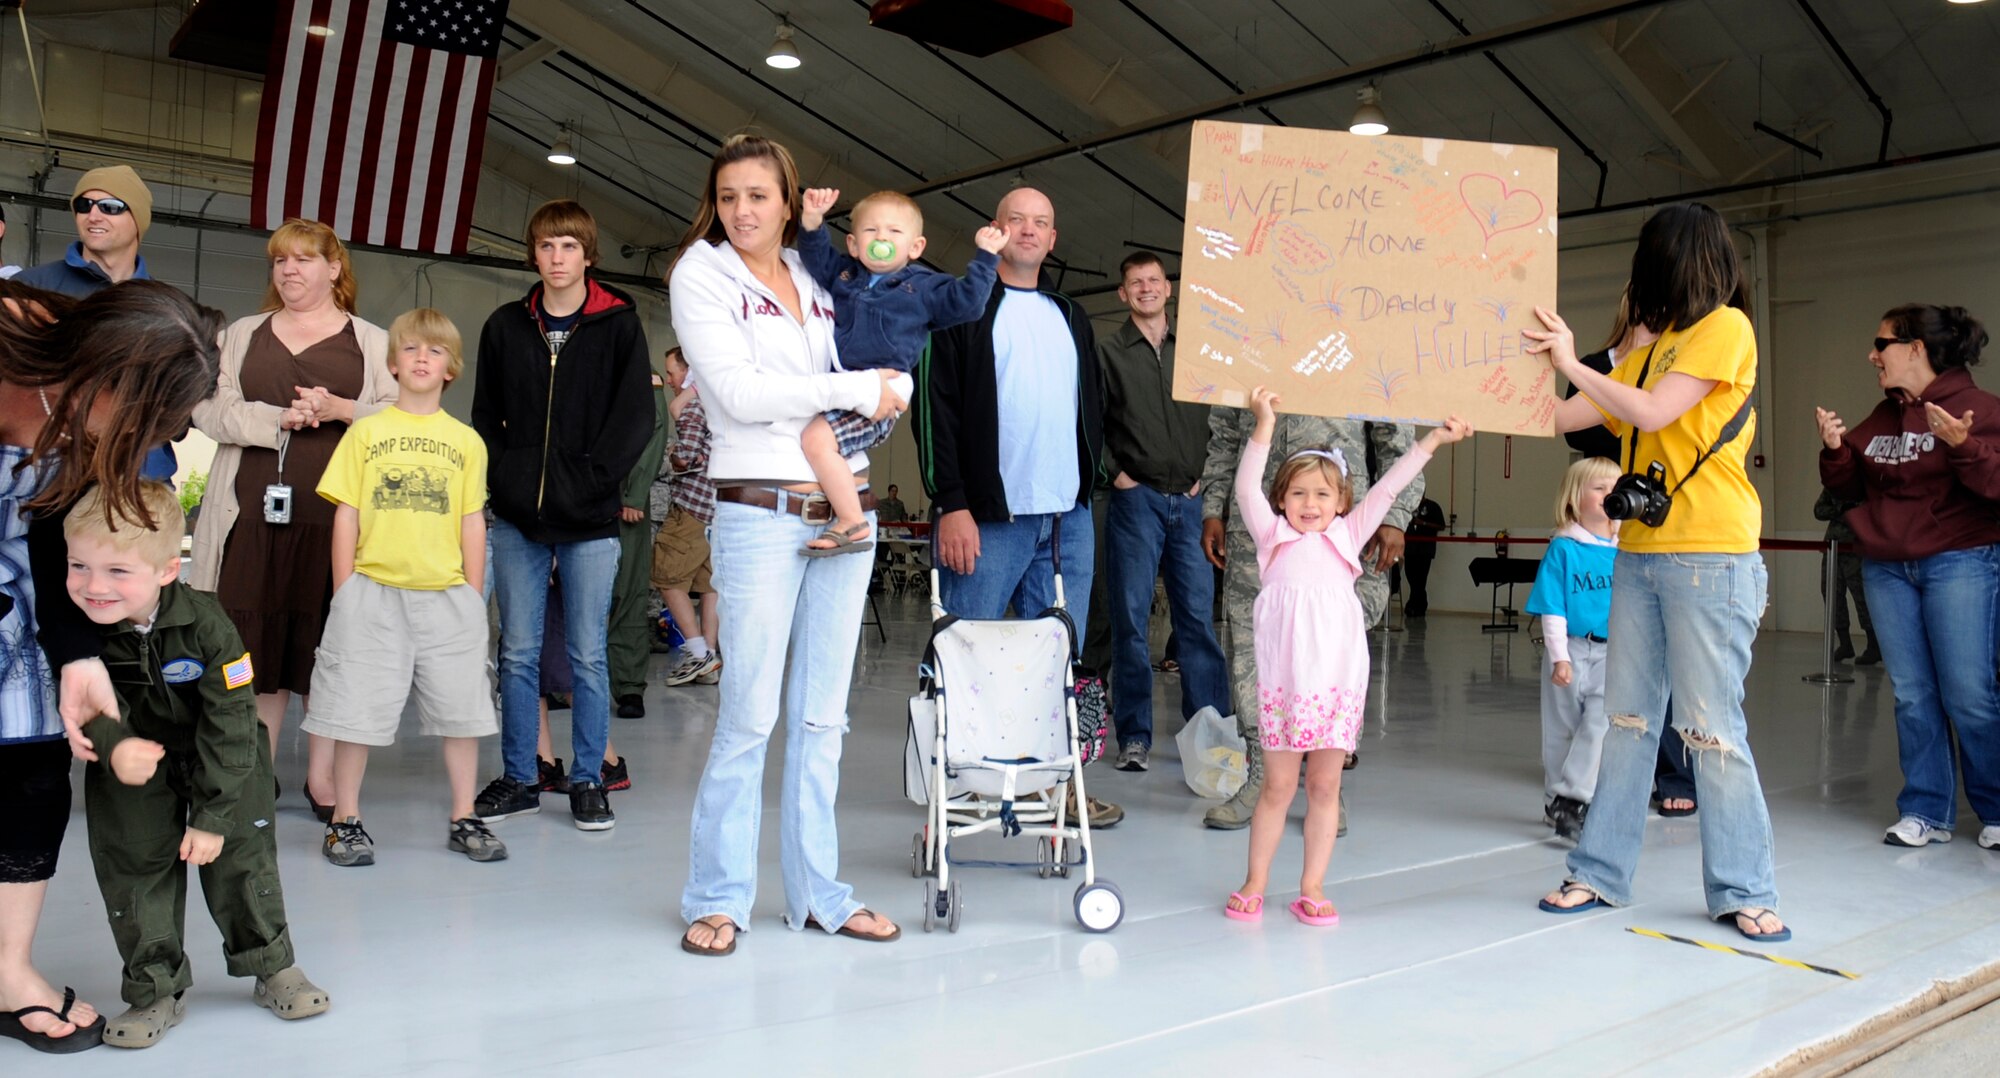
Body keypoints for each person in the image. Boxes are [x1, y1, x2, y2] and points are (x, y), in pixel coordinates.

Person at [671, 134, 905, 957]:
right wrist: (855, 391)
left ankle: (819, 897)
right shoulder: (702, 274)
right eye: (729, 196)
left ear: (787, 199)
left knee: (822, 720)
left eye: (758, 196)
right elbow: (736, 394)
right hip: (759, 510)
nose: (743, 211)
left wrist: (894, 388)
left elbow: (882, 346)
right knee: (748, 716)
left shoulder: (817, 271)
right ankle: (719, 896)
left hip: (848, 506)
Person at [1531, 201, 1789, 944]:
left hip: (1712, 555)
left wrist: (1577, 361)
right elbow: (1565, 417)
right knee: (1628, 722)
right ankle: (1598, 872)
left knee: (1710, 729)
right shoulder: (1654, 344)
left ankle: (1744, 888)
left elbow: (1647, 413)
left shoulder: (1726, 329)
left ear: (1675, 260)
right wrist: (1465, 391)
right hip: (1639, 557)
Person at [0, 278, 220, 1055]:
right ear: (100, 368)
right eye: (133, 420)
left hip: (17, 600)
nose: (124, 442)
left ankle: (8, 971)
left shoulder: (88, 423)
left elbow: (56, 528)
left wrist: (76, 656)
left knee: (30, 774)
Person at [66, 482, 328, 1046]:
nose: (93, 586)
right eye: (78, 565)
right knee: (134, 870)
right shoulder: (78, 630)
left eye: (117, 571)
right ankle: (154, 990)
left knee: (241, 860)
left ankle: (272, 965)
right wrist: (112, 744)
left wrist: (212, 817)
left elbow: (233, 721)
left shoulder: (209, 627)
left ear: (166, 569)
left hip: (225, 760)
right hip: (133, 766)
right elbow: (77, 700)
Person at [912, 186, 1120, 828]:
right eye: (1016, 220)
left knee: (1056, 663)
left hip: (1068, 520)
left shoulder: (1071, 314)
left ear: (1053, 239)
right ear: (995, 232)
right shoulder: (961, 308)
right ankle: (953, 792)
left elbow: (1093, 407)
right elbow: (933, 410)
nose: (1029, 230)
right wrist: (950, 503)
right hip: (986, 517)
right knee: (963, 657)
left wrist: (1097, 477)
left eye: (1042, 222)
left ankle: (1051, 792)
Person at [1222, 385, 1466, 925]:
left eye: (1323, 495)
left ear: (1342, 503)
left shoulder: (1348, 538)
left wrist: (1433, 441)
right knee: (1278, 786)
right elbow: (1244, 486)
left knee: (1325, 785)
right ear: (1281, 498)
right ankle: (1255, 880)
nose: (1311, 505)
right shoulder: (1272, 538)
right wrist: (1264, 422)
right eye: (1300, 494)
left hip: (1333, 687)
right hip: (1285, 688)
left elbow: (1391, 483)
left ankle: (1312, 885)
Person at [188, 219, 398, 820]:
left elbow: (401, 417)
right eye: (280, 260)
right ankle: (256, 770)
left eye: (305, 259)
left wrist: (340, 408)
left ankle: (323, 778)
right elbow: (208, 407)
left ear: (335, 269)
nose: (289, 271)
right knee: (252, 650)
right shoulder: (243, 335)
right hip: (248, 518)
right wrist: (274, 419)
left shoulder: (372, 342)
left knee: (329, 646)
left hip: (338, 523)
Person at [469, 200, 653, 832]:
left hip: (592, 520)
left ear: (588, 254)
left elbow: (635, 419)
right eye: (546, 246)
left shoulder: (619, 325)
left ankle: (586, 779)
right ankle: (521, 776)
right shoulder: (504, 326)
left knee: (587, 655)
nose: (556, 258)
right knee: (516, 652)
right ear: (534, 253)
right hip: (519, 519)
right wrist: (509, 481)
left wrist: (592, 482)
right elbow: (484, 418)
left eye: (569, 246)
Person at [298, 309, 505, 867]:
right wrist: (347, 591)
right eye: (411, 349)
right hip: (373, 592)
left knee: (462, 711)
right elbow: (347, 514)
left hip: (447, 596)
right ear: (392, 363)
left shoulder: (466, 442)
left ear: (450, 369)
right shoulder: (367, 432)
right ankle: (346, 819)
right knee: (353, 711)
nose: (421, 358)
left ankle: (465, 815)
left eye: (434, 351)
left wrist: (472, 594)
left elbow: (471, 521)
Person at [1817, 304, 2000, 850]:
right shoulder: (1884, 414)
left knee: (1970, 693)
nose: (1873, 355)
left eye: (1883, 344)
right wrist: (1834, 452)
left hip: (1959, 562)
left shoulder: (1979, 410)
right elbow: (1852, 487)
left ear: (1916, 347)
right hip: (1888, 568)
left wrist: (1964, 447)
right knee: (1913, 695)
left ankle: (1994, 808)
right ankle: (1926, 808)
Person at [1200, 401, 1422, 831]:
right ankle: (1261, 775)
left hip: (1339, 526)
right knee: (1255, 654)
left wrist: (1395, 517)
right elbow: (1225, 432)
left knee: (1331, 661)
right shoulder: (1244, 339)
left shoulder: (1360, 338)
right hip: (1262, 530)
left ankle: (1327, 786)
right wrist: (1214, 506)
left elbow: (1396, 432)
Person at [794, 187, 1002, 555]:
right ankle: (836, 511)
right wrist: (811, 222)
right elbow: (817, 258)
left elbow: (968, 304)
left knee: (815, 440)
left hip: (879, 396)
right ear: (854, 244)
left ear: (916, 246)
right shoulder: (845, 274)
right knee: (812, 446)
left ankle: (851, 519)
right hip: (840, 386)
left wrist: (985, 258)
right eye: (871, 231)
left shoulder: (923, 287)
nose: (882, 239)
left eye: (894, 232)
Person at [1098, 250, 1226, 772]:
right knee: (1129, 621)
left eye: (1154, 280)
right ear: (1123, 294)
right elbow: (1091, 420)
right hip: (1137, 500)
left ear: (1168, 288)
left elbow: (1222, 416)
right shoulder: (1109, 353)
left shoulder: (1196, 352)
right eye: (1136, 282)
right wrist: (1116, 475)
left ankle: (1210, 731)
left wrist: (1210, 479)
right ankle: (1133, 735)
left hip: (1193, 501)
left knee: (1197, 619)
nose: (1146, 288)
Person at [14, 167, 175, 481]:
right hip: (48, 478)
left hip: (137, 477)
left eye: (111, 207)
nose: (94, 214)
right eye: (84, 205)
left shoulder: (166, 307)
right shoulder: (30, 288)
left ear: (138, 221)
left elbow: (181, 406)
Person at [1524, 457, 1621, 844]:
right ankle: (1554, 800)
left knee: (1599, 722)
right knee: (1562, 730)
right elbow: (1553, 608)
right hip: (1570, 651)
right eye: (1599, 488)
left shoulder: (1627, 549)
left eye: (1615, 488)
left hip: (1612, 652)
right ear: (1574, 498)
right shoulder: (1564, 548)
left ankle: (1575, 798)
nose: (1609, 495)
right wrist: (1560, 656)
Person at [653, 347, 722, 687]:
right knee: (709, 586)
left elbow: (687, 455)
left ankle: (697, 652)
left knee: (667, 577)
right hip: (715, 510)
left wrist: (671, 454)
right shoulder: (716, 405)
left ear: (689, 372)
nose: (669, 380)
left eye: (672, 373)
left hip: (690, 509)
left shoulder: (692, 409)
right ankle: (710, 656)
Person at [611, 367, 669, 718]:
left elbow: (653, 429)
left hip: (622, 500)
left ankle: (629, 685)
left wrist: (633, 494)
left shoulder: (639, 372)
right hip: (576, 495)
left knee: (629, 592)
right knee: (570, 593)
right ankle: (562, 682)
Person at [1811, 486, 1879, 665]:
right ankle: (1845, 644)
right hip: (1833, 547)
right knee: (1832, 595)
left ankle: (1873, 646)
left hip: (1856, 547)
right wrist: (1841, 510)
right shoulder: (1834, 487)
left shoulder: (1865, 485)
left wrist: (1849, 514)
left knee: (1861, 597)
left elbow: (1870, 512)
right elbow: (1818, 510)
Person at [1399, 496, 1445, 616]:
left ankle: (1414, 606)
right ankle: (1419, 604)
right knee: (1410, 575)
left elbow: (1441, 526)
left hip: (1425, 550)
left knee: (1420, 579)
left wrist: (1423, 523)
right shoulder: (1407, 504)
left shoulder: (1433, 506)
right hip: (1410, 549)